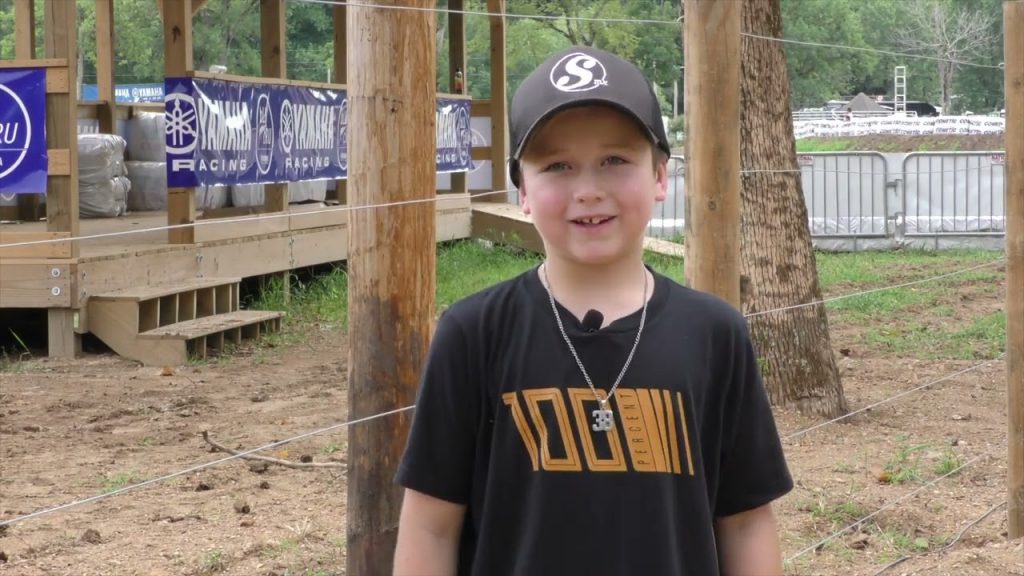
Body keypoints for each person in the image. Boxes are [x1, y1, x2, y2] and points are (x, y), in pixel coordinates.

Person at [393, 45, 793, 576]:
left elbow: (744, 522)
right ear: (522, 190)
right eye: (557, 166)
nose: (587, 190)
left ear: (660, 176)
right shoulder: (473, 333)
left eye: (615, 161)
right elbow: (431, 525)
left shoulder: (715, 334)